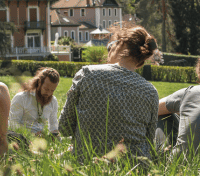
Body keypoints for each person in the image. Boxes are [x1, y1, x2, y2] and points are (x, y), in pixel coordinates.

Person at [59, 26, 159, 163]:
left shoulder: (88, 74)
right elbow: (149, 141)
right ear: (141, 61)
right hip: (135, 170)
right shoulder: (150, 91)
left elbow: (64, 128)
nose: (108, 54)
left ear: (121, 44)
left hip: (89, 165)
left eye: (110, 46)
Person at [9, 67, 60, 136]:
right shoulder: (21, 98)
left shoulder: (53, 101)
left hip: (41, 140)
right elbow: (13, 124)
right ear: (39, 83)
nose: (49, 94)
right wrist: (31, 134)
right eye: (46, 89)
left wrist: (54, 135)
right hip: (22, 138)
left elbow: (53, 125)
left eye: (52, 90)